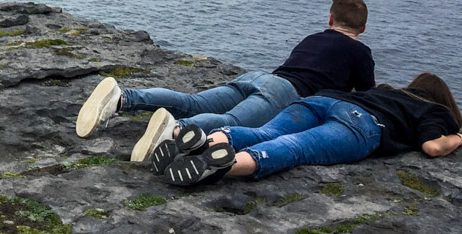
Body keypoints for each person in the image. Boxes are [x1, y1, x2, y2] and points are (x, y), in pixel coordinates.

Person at [77, 0, 375, 162]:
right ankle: (175, 130)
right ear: (361, 29)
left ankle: (123, 98)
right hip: (287, 94)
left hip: (259, 78)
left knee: (193, 101)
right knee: (231, 123)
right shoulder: (359, 52)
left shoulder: (313, 38)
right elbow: (364, 98)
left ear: (330, 19)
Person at [154, 72, 462, 186]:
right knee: (294, 148)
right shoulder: (435, 111)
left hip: (321, 101)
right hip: (359, 123)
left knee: (265, 133)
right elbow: (433, 147)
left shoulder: (387, 90)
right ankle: (218, 166)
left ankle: (199, 143)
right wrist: (458, 136)